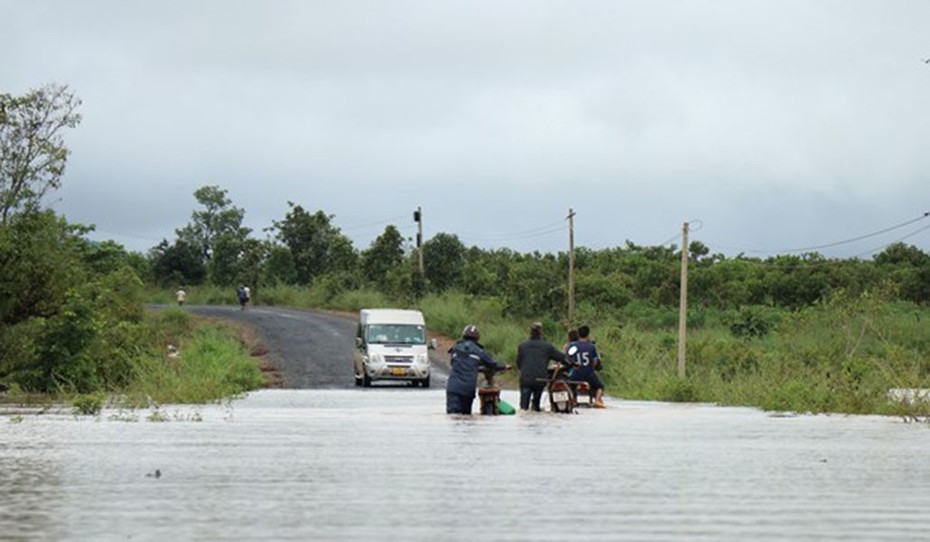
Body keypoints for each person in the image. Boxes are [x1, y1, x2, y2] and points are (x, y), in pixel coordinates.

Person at [445, 325, 508, 415]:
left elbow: (453, 362)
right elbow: (492, 363)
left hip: (453, 388)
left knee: (453, 416)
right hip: (467, 389)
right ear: (477, 338)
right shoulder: (478, 350)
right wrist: (504, 366)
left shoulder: (455, 348)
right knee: (466, 416)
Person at [516, 322, 569, 411]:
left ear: (530, 332)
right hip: (540, 380)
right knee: (536, 405)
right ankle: (535, 408)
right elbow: (561, 358)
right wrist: (572, 363)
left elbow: (518, 363)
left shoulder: (522, 346)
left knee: (523, 408)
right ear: (541, 333)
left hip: (526, 379)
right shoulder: (547, 347)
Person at [567, 325, 606, 408]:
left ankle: (572, 399)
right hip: (588, 374)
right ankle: (597, 400)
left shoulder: (572, 345)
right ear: (588, 335)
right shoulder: (591, 346)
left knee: (569, 385)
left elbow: (569, 359)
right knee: (600, 387)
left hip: (576, 373)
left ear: (578, 334)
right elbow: (595, 361)